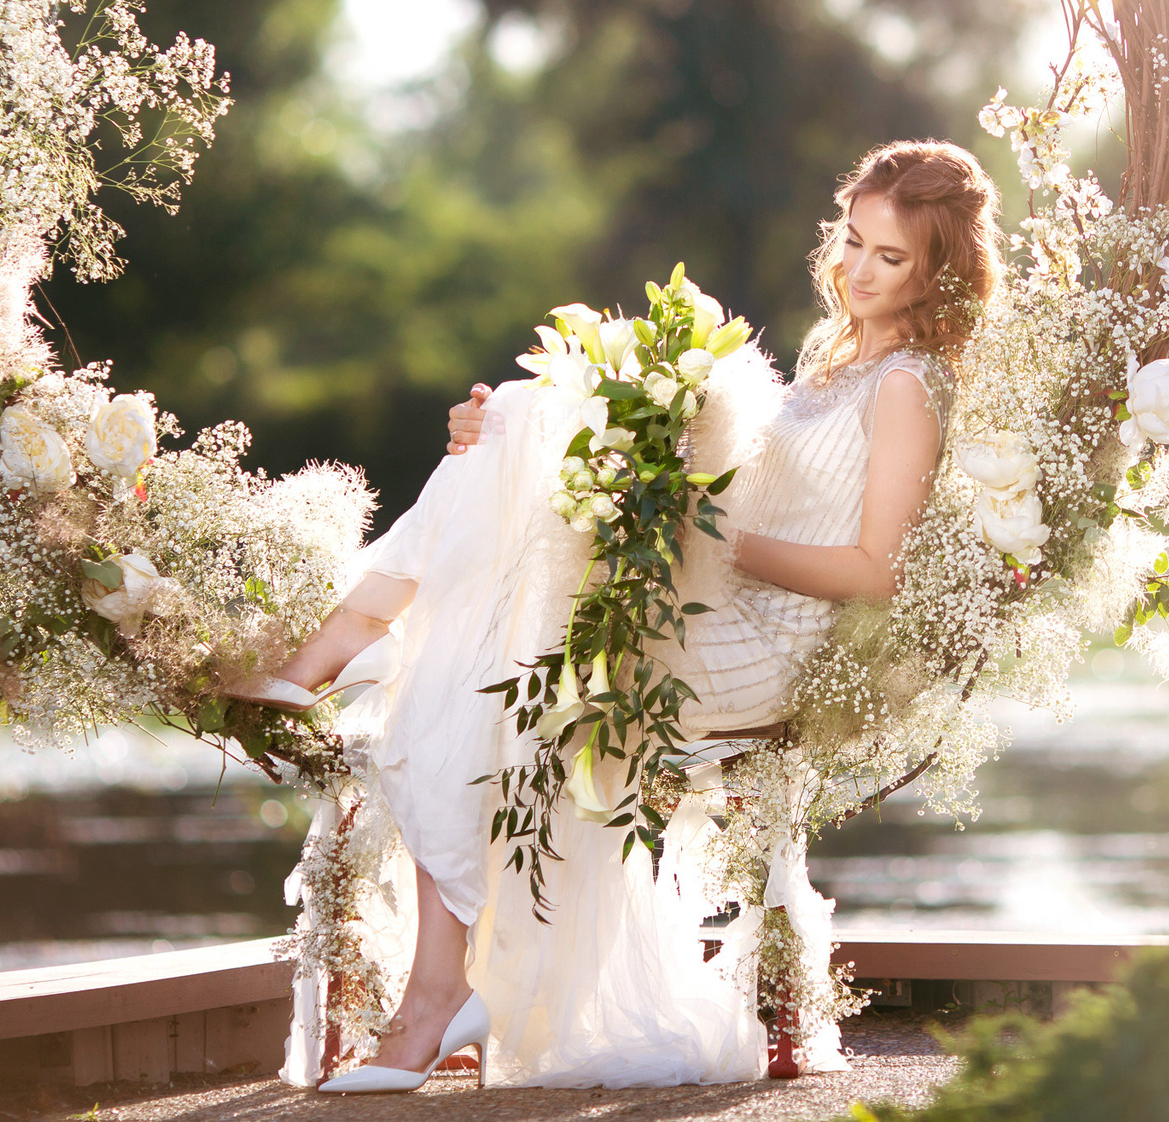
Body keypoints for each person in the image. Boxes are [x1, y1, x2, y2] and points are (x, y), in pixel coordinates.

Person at [239, 140, 1001, 1090]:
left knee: (500, 659)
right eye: (852, 242)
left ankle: (339, 670)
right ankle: (440, 989)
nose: (858, 271)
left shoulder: (908, 386)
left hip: (771, 635)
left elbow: (873, 571)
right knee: (517, 427)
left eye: (891, 259)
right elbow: (735, 489)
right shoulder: (832, 359)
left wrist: (712, 541)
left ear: (938, 272)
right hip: (716, 591)